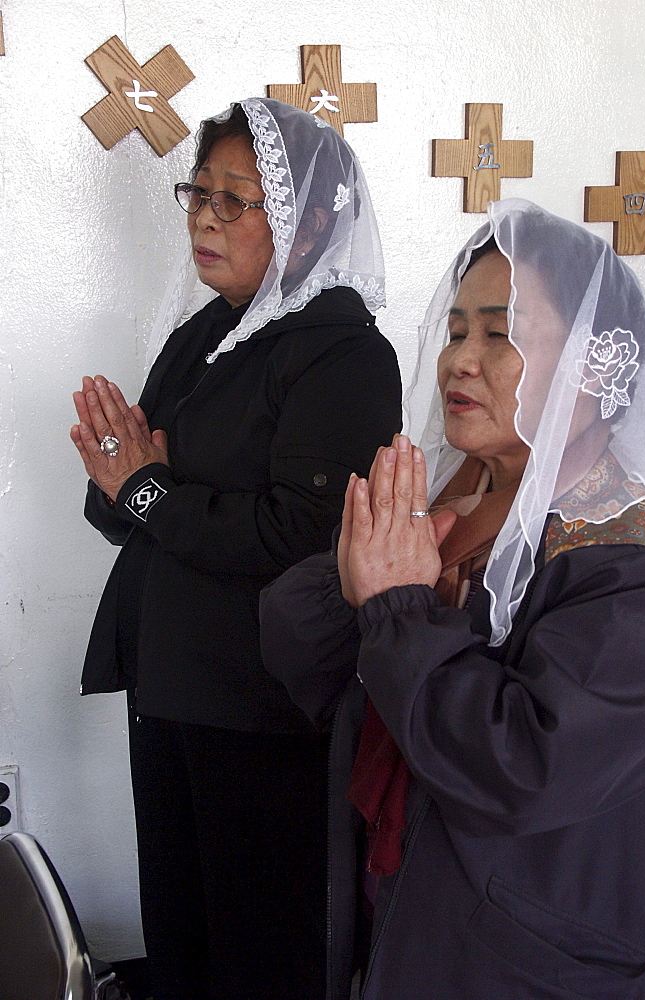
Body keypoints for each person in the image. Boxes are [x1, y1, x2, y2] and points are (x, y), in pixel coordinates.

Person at [259, 199, 645, 1000]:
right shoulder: (465, 495)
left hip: (538, 952)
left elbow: (526, 766)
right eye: (456, 330)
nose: (460, 359)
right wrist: (383, 578)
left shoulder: (636, 566)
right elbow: (305, 654)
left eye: (503, 333)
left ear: (596, 366)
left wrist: (394, 609)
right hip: (422, 901)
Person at [70, 98, 402, 1000]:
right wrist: (126, 481)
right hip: (173, 687)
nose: (206, 218)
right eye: (198, 193)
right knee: (182, 935)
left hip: (258, 706)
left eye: (236, 199)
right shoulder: (207, 335)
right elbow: (128, 502)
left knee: (261, 947)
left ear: (310, 220)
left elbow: (301, 533)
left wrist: (147, 487)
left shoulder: (340, 353)